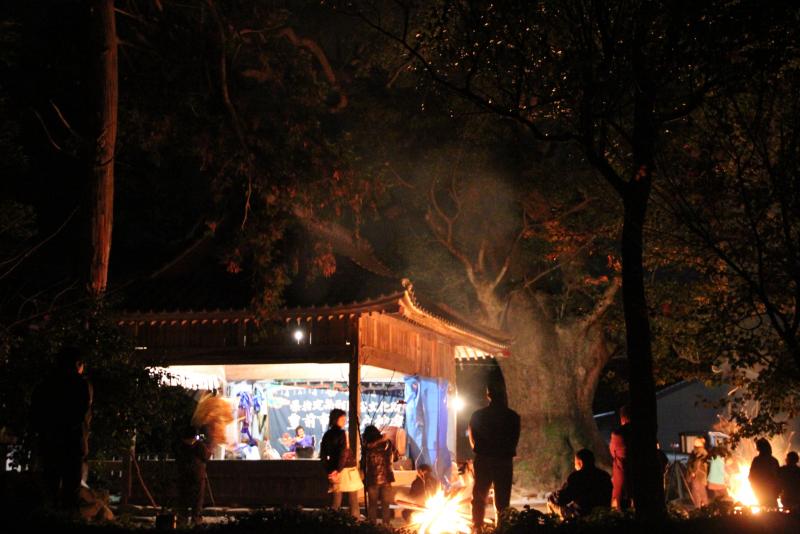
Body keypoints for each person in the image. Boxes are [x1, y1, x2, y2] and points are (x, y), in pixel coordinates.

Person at [31, 346, 93, 514]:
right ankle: (68, 521)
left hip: (49, 441)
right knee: (70, 490)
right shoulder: (80, 385)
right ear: (77, 364)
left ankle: (49, 519)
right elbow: (80, 413)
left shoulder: (45, 384)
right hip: (72, 442)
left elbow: (35, 413)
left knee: (50, 488)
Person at [468, 381, 520, 528]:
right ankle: (502, 528)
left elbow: (473, 439)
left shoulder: (478, 415)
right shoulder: (512, 416)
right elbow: (514, 439)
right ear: (504, 395)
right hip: (504, 460)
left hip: (483, 459)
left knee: (479, 496)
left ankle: (477, 527)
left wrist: (481, 450)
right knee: (503, 499)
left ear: (488, 395)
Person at [546, 449, 612, 519]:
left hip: (580, 516)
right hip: (602, 515)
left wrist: (554, 496)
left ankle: (557, 527)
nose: (575, 466)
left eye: (575, 463)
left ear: (580, 463)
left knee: (550, 502)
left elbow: (563, 500)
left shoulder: (576, 476)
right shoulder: (604, 475)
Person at [320, 408, 361, 518]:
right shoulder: (343, 433)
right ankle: (356, 525)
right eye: (342, 419)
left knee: (336, 500)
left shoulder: (327, 435)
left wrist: (330, 470)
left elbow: (323, 455)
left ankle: (333, 524)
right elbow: (344, 453)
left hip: (333, 470)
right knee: (353, 500)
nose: (344, 421)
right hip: (347, 469)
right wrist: (338, 470)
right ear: (335, 420)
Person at [175, 425, 212, 526]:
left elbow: (177, 458)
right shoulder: (199, 445)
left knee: (183, 499)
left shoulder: (181, 446)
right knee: (197, 499)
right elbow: (207, 455)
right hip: (197, 475)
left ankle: (182, 520)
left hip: (183, 475)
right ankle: (196, 520)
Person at [361, 425, 397, 524]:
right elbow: (396, 456)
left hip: (372, 479)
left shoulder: (367, 447)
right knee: (386, 505)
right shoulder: (388, 443)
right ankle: (386, 527)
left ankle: (372, 526)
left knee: (372, 505)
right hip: (387, 478)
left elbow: (363, 462)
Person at [609, 405, 632, 510]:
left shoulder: (619, 434)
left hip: (624, 480)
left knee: (622, 511)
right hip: (644, 480)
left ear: (623, 418)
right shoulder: (646, 433)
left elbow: (613, 452)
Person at [749, 438, 780, 508]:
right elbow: (778, 477)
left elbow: (751, 476)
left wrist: (754, 487)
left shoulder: (757, 460)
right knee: (772, 510)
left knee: (764, 508)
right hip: (770, 491)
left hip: (761, 490)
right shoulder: (773, 461)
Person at [686, 438, 709, 508]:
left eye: (695, 447)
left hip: (698, 477)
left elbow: (697, 465)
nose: (694, 448)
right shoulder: (699, 454)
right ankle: (703, 508)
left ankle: (701, 509)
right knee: (699, 493)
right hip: (698, 477)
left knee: (699, 494)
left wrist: (693, 473)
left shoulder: (701, 454)